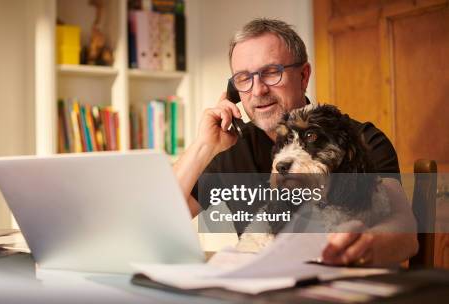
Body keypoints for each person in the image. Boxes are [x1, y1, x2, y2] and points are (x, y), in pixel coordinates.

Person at [173, 18, 418, 266]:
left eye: (271, 72)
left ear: (303, 76)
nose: (258, 91)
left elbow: (405, 234)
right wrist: (203, 146)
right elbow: (160, 218)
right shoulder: (231, 146)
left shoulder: (360, 139)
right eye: (244, 78)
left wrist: (356, 250)